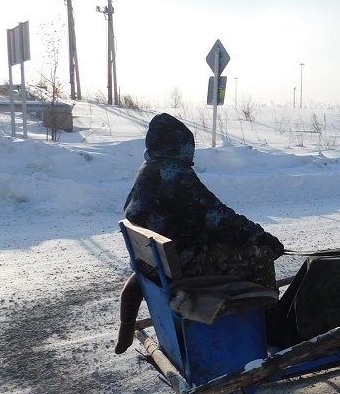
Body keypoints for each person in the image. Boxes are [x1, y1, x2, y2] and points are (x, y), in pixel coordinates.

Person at [114, 113, 284, 354]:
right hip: (182, 264)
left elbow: (197, 215)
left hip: (155, 263)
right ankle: (268, 325)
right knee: (260, 256)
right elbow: (216, 216)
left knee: (228, 244)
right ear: (179, 145)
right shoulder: (172, 172)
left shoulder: (149, 168)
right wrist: (261, 237)